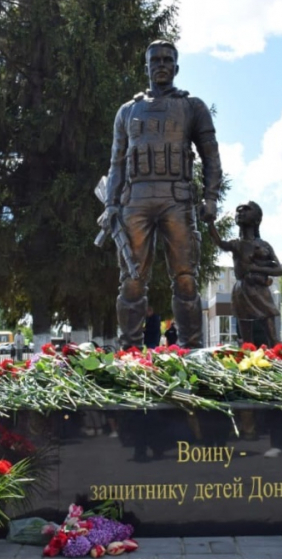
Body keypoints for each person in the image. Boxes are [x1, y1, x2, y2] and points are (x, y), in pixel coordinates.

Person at [99, 39, 222, 350]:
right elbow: (116, 163)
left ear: (177, 67)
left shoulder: (193, 107)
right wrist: (112, 204)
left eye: (168, 59)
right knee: (132, 280)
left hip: (177, 198)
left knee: (185, 277)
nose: (162, 64)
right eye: (156, 60)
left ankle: (191, 348)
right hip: (135, 199)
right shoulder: (127, 111)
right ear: (147, 67)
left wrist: (210, 198)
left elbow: (211, 156)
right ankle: (129, 352)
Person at [207, 201, 282, 346]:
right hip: (241, 290)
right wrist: (210, 222)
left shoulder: (264, 245)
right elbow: (219, 242)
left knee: (272, 335)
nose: (240, 213)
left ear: (256, 218)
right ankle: (248, 364)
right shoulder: (236, 244)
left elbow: (279, 270)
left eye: (246, 210)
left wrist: (255, 269)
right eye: (238, 210)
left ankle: (279, 360)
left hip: (260, 290)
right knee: (246, 340)